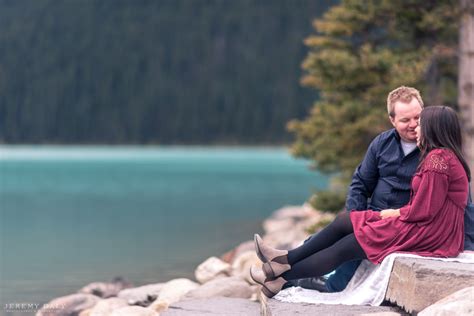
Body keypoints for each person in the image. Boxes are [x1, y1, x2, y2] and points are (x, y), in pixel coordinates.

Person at [250, 105, 470, 298]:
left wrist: (393, 214)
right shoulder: (443, 157)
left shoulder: (437, 161)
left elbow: (423, 211)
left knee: (346, 247)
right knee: (345, 221)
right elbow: (426, 208)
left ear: (433, 128)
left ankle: (278, 275)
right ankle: (284, 258)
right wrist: (392, 214)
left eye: (421, 124)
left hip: (428, 233)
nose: (417, 128)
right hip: (427, 228)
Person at [287, 86, 424, 292]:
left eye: (418, 118)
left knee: (340, 267)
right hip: (371, 214)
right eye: (405, 120)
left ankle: (291, 276)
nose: (413, 125)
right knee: (324, 237)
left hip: (399, 224)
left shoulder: (433, 150)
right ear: (392, 120)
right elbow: (360, 183)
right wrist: (357, 216)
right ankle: (284, 272)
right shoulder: (381, 143)